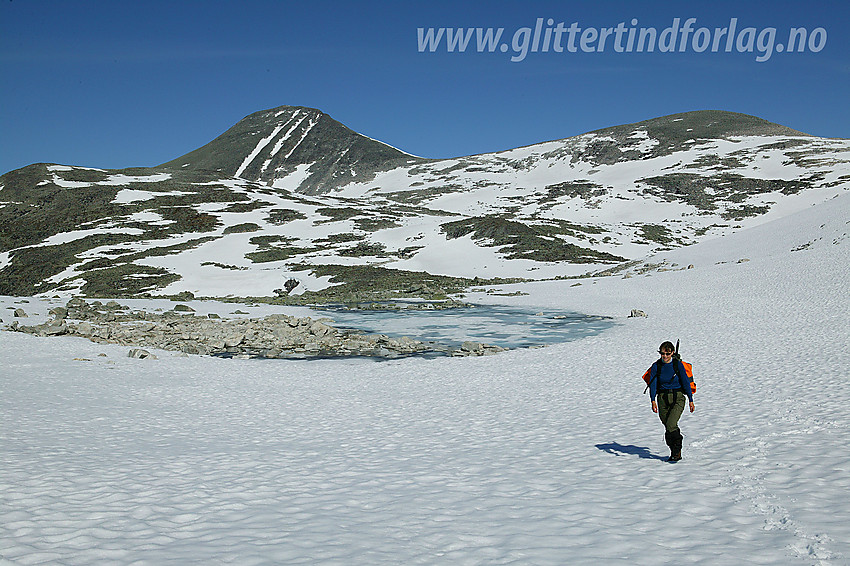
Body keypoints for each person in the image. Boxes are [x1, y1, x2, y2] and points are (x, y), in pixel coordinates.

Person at [648, 341, 695, 462]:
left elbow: (685, 382)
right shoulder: (656, 366)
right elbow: (653, 384)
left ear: (672, 353)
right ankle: (674, 451)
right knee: (668, 426)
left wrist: (690, 399)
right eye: (662, 353)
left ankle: (677, 450)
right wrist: (653, 400)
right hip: (662, 398)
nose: (665, 356)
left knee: (670, 424)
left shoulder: (677, 365)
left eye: (667, 354)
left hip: (677, 397)